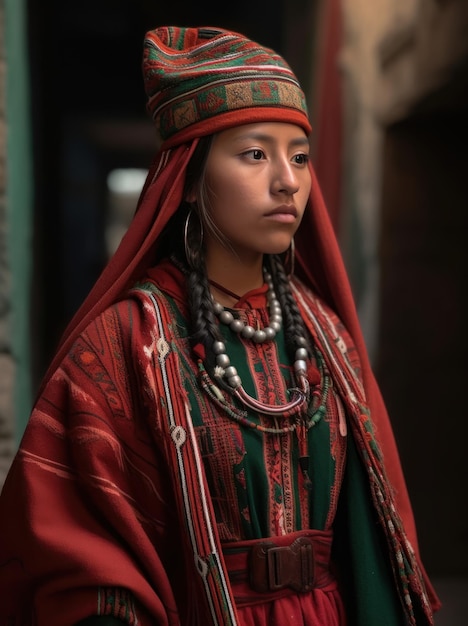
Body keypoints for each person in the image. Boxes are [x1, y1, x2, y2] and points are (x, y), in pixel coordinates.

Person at [0, 25, 440, 626]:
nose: (287, 180)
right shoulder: (127, 342)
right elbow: (73, 545)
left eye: (301, 157)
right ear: (190, 176)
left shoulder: (325, 334)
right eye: (256, 153)